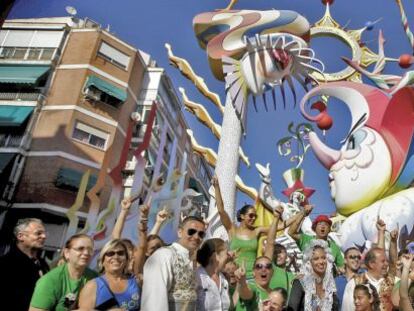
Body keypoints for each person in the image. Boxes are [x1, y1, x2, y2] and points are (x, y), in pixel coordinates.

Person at [213, 176, 299, 279]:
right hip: (233, 277)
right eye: (250, 215)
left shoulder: (257, 230)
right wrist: (217, 187)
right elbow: (221, 211)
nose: (253, 218)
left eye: (255, 216)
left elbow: (279, 226)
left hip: (252, 278)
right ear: (242, 216)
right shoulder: (232, 229)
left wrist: (301, 214)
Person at [141, 215, 206, 310]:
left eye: (201, 234)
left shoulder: (191, 261)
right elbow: (154, 301)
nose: (196, 237)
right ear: (180, 232)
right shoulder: (164, 255)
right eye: (191, 232)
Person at [29, 234, 97, 311]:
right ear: (67, 253)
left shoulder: (94, 277)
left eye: (90, 249)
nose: (86, 253)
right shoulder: (50, 280)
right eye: (80, 249)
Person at [0, 218, 49, 311]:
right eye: (38, 233)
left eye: (44, 233)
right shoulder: (5, 265)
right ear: (20, 236)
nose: (44, 236)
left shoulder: (43, 264)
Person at [78, 239, 141, 310]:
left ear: (126, 259)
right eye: (110, 253)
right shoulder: (92, 286)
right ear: (102, 260)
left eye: (120, 253)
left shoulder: (137, 282)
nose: (116, 257)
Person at [288, 239, 339, 311]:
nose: (321, 262)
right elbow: (291, 309)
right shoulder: (300, 283)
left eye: (323, 258)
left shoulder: (330, 286)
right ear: (309, 262)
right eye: (316, 259)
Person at [264, 205, 295, 295]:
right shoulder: (270, 269)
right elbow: (270, 242)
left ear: (287, 255)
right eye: (275, 253)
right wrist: (276, 218)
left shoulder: (293, 276)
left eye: (280, 252)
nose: (278, 255)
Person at [196, 238, 231, 311]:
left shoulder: (224, 279)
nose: (229, 257)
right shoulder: (198, 277)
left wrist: (241, 283)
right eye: (227, 253)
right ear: (215, 256)